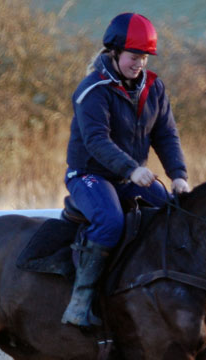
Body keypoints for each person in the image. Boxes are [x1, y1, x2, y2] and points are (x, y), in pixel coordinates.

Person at [61, 12, 190, 327]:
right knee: (110, 222)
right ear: (114, 52)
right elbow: (96, 141)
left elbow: (166, 135)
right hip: (89, 176)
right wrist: (133, 170)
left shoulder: (154, 88)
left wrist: (179, 175)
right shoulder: (92, 90)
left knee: (175, 215)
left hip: (126, 176)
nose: (140, 64)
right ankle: (79, 303)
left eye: (144, 57)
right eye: (134, 56)